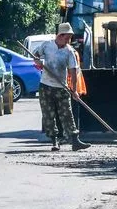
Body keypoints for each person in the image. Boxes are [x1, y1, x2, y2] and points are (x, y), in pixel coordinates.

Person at [33, 22, 91, 152]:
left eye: (70, 37)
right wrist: (37, 61)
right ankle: (55, 141)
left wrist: (74, 90)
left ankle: (75, 141)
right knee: (48, 114)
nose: (68, 40)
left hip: (61, 87)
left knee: (67, 114)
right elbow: (35, 55)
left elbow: (72, 71)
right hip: (45, 86)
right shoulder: (47, 46)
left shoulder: (69, 51)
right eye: (66, 37)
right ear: (60, 35)